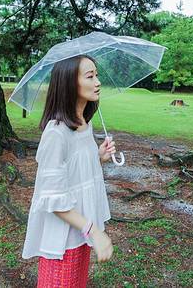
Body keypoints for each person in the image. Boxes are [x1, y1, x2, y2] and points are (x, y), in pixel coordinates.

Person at [21, 54, 116, 287]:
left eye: (97, 75)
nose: (98, 82)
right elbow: (53, 199)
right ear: (69, 83)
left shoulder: (84, 123)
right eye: (90, 76)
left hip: (81, 233)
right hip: (63, 240)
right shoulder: (56, 133)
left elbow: (76, 172)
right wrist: (94, 232)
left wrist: (98, 157)